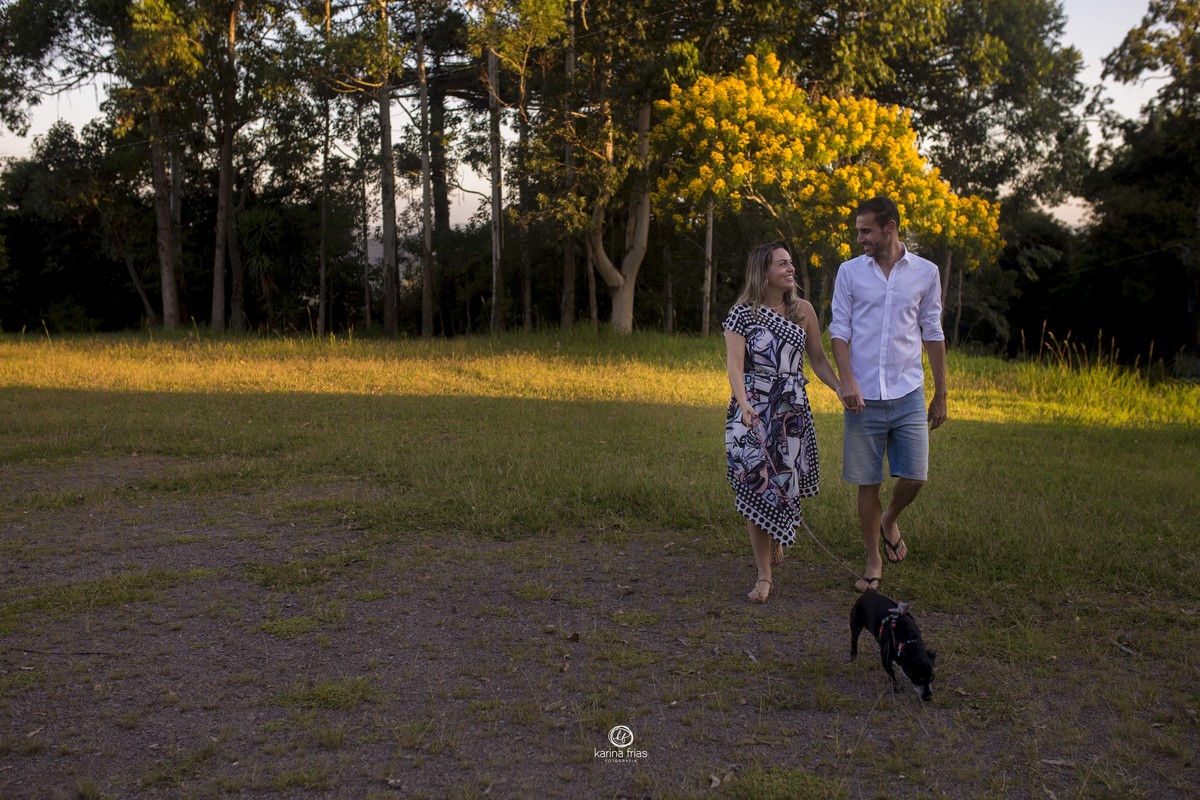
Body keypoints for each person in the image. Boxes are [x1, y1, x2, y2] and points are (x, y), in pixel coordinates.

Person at [829, 196, 948, 594]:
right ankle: (873, 561)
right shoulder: (848, 273)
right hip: (862, 396)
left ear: (889, 228)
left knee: (915, 477)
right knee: (867, 483)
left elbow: (933, 332)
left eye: (866, 230)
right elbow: (839, 331)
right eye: (858, 230)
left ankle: (889, 519)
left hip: (908, 390)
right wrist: (847, 380)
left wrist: (941, 393)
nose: (859, 237)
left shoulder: (926, 273)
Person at [723, 240, 842, 604]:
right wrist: (744, 405)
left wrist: (841, 388)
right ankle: (764, 576)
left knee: (783, 485)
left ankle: (775, 536)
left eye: (791, 263)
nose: (791, 269)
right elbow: (735, 366)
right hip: (753, 410)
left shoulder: (803, 311)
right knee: (757, 486)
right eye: (783, 264)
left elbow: (818, 360)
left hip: (790, 410)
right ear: (764, 272)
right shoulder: (742, 314)